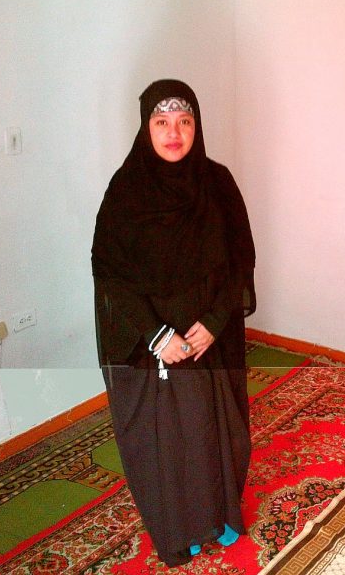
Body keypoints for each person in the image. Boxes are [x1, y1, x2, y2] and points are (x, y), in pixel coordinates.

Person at [91, 79, 256, 567]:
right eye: (161, 122)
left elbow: (240, 259)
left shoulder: (218, 182)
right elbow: (110, 274)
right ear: (146, 128)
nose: (174, 132)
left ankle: (221, 515)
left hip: (208, 335)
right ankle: (177, 527)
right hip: (154, 341)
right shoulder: (126, 191)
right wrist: (157, 334)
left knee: (217, 429)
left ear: (196, 126)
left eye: (184, 121)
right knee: (167, 437)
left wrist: (215, 320)